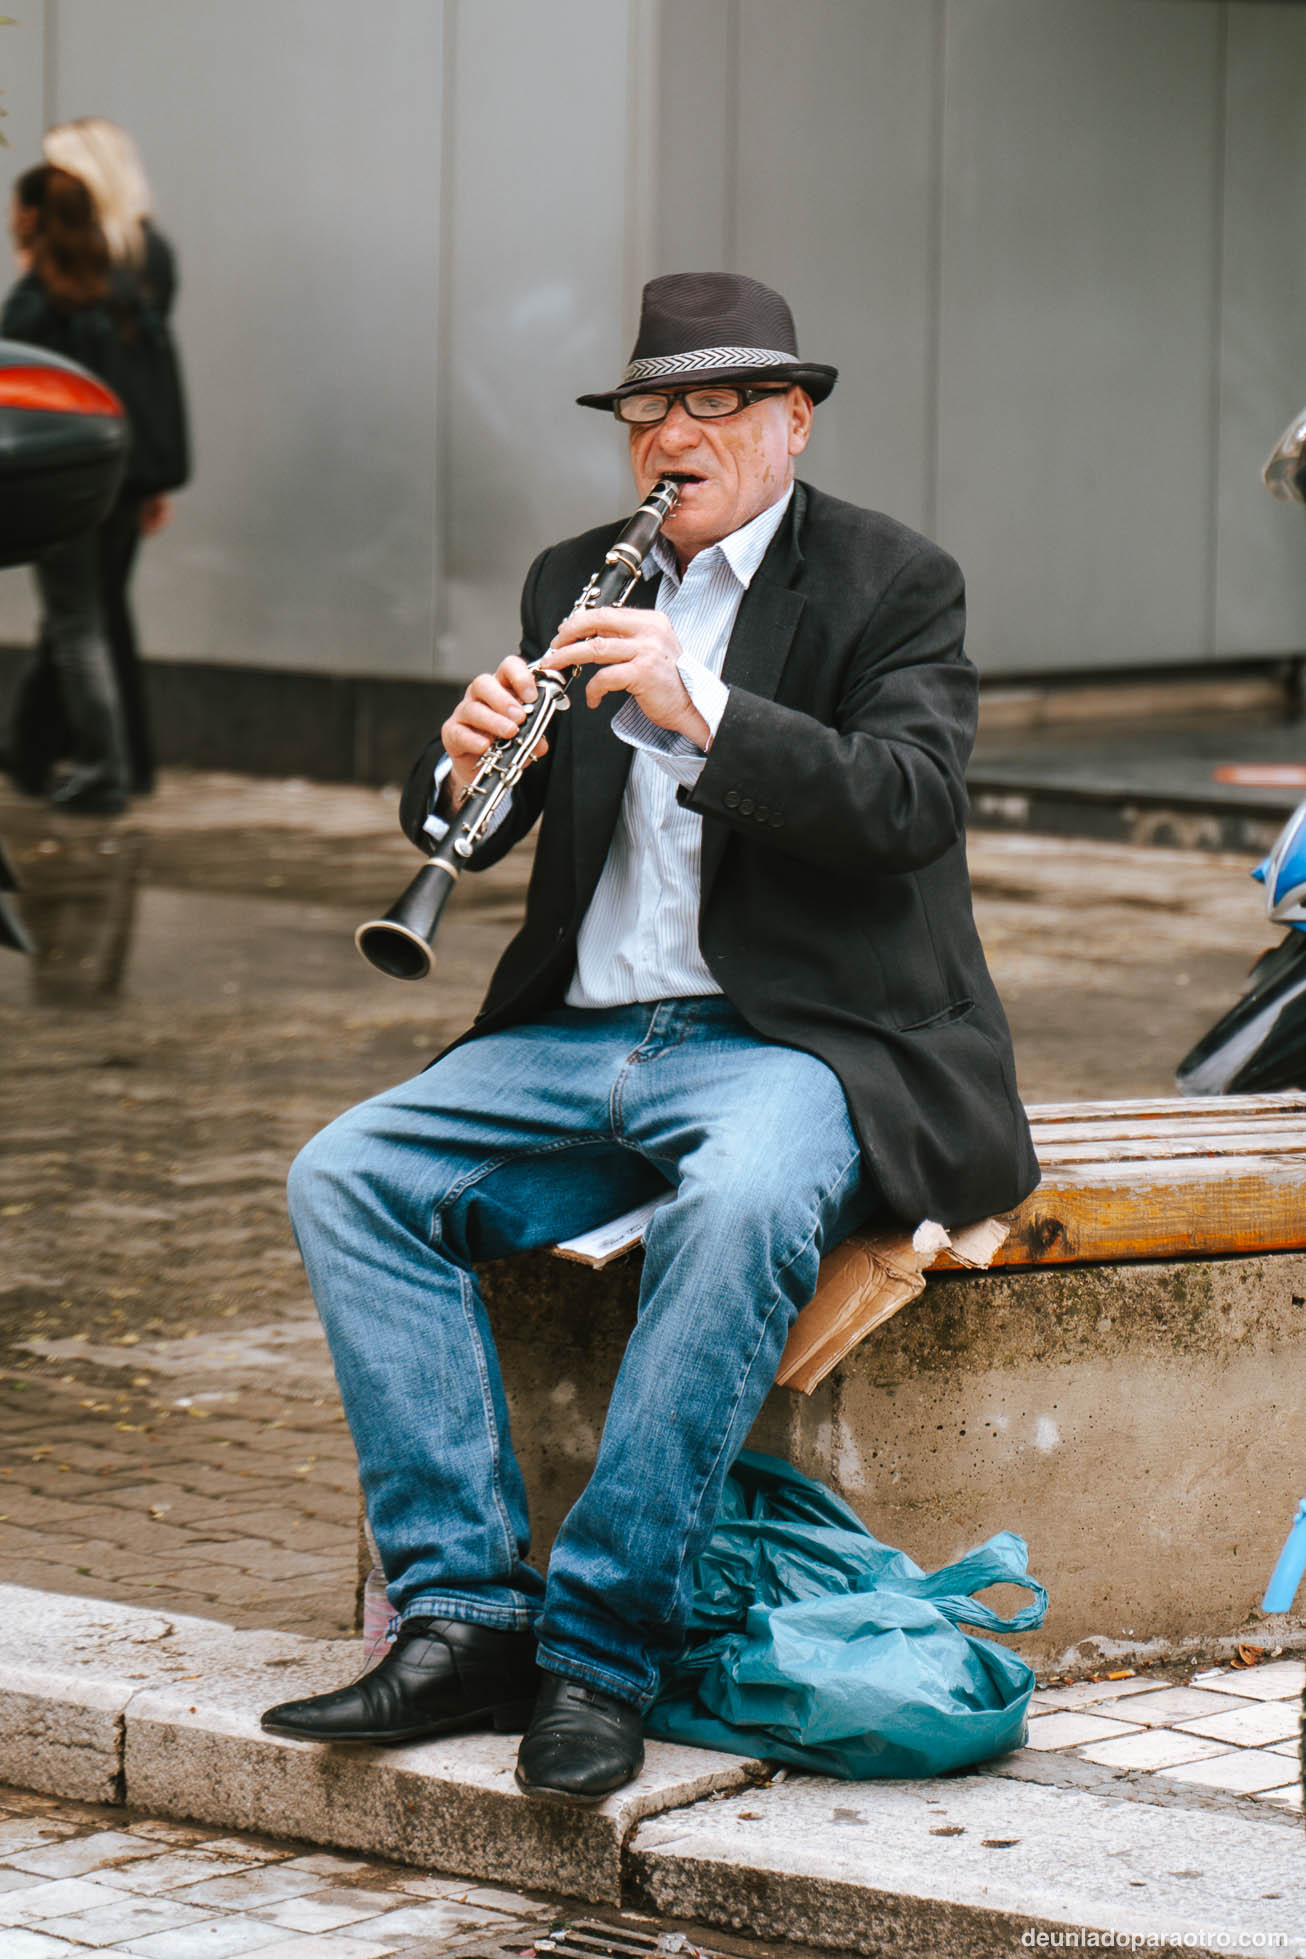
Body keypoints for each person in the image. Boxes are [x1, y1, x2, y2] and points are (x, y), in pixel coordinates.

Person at [261, 272, 1041, 1803]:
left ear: (789, 420)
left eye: (710, 405)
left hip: (793, 1039)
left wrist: (705, 710)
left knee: (744, 1198)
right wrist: (454, 768)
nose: (668, 438)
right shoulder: (578, 572)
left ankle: (602, 1648)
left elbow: (910, 804)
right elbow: (483, 831)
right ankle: (467, 1611)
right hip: (583, 1032)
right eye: (645, 410)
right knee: (343, 1174)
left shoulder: (893, 580)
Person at [5, 120, 188, 806]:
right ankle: (42, 750)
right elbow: (153, 376)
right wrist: (159, 475)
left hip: (68, 462)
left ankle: (103, 766)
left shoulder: (62, 270)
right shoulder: (148, 258)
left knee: (79, 618)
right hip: (129, 461)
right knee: (92, 611)